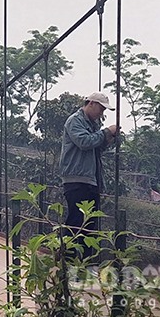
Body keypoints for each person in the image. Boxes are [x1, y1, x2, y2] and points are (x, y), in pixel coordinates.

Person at [59, 92, 120, 237]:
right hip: (76, 180)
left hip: (90, 180)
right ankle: (68, 257)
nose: (101, 113)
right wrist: (106, 132)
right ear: (91, 103)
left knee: (89, 226)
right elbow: (84, 142)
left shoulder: (92, 124)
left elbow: (96, 147)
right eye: (101, 109)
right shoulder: (75, 120)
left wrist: (108, 138)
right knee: (76, 222)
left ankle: (86, 259)